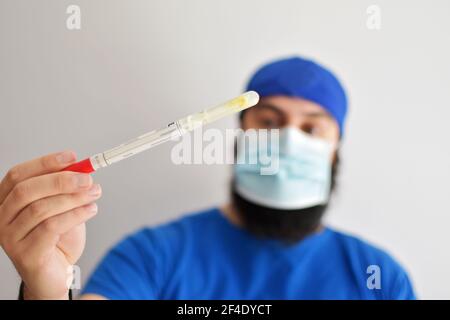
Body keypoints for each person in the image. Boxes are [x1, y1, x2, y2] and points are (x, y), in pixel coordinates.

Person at [0, 56, 415, 300]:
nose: (288, 141)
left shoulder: (379, 277)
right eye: (269, 122)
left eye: (311, 129)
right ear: (241, 134)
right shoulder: (152, 256)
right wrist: (45, 287)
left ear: (337, 147)